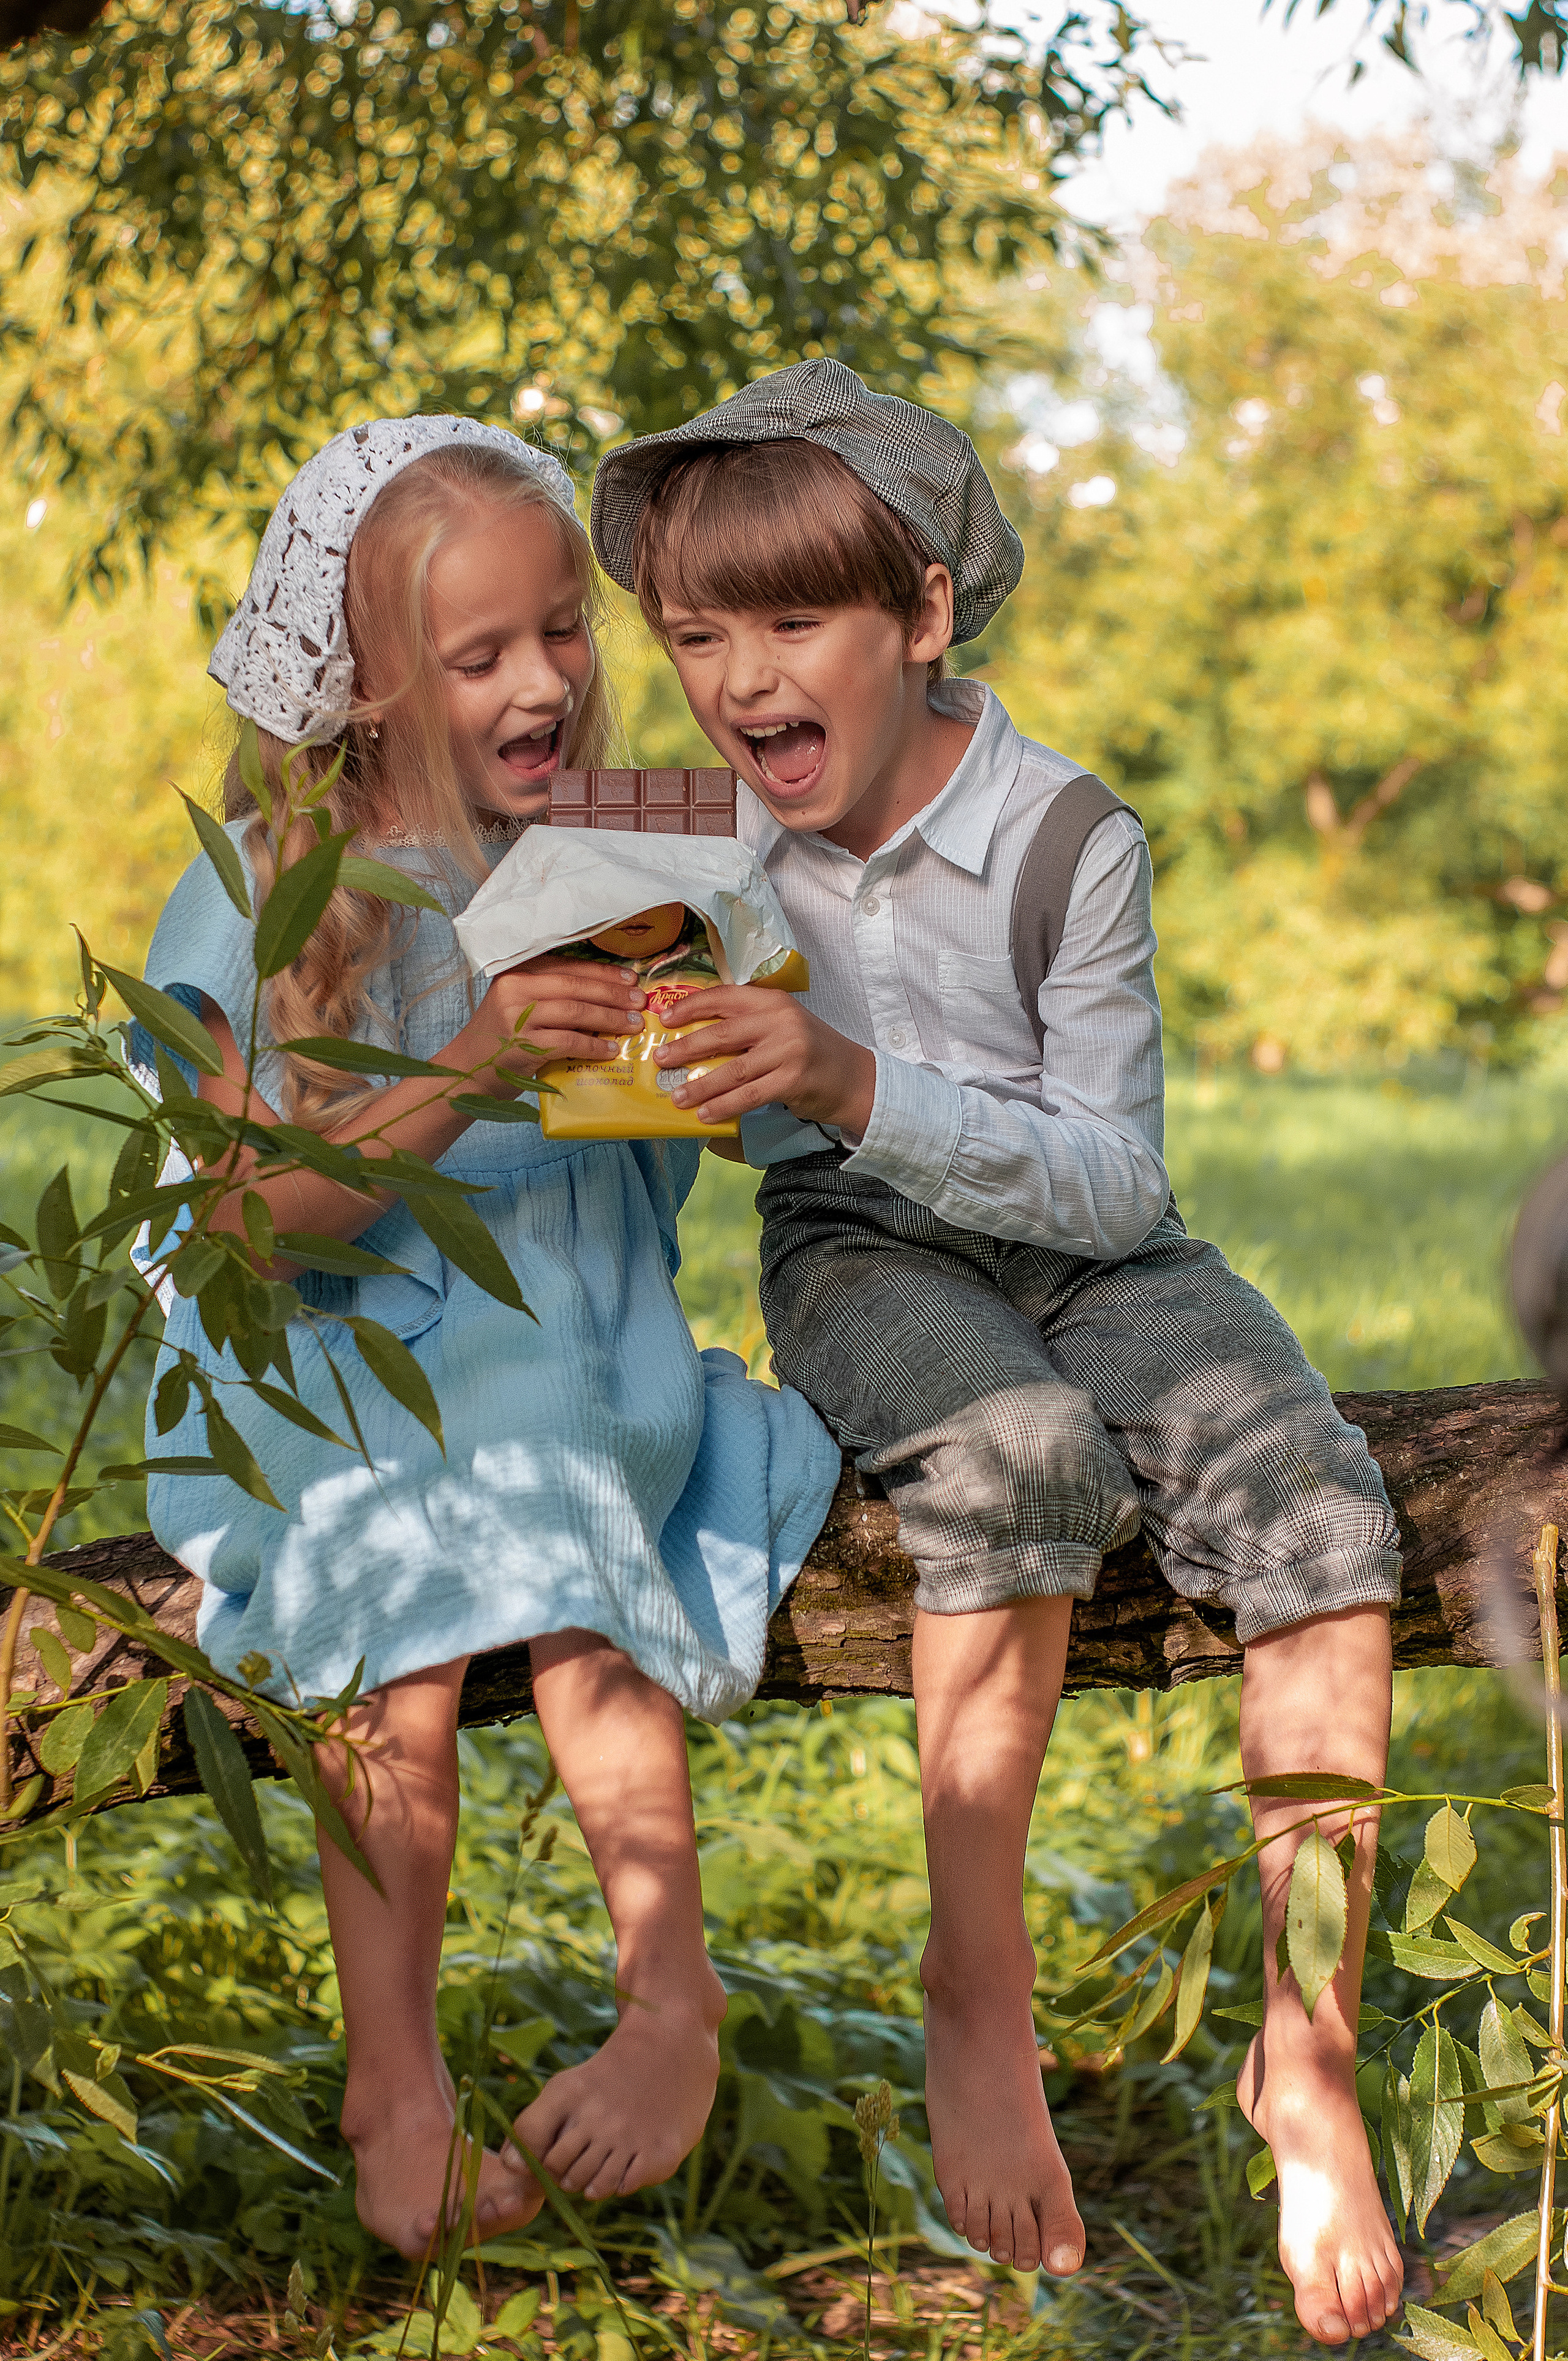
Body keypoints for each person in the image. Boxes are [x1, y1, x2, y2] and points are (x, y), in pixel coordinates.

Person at [588, 360, 1407, 2348]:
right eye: (697, 635)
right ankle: (978, 1988)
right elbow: (490, 925)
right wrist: (613, 1048)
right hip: (857, 1244)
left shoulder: (1069, 838)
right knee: (1028, 1465)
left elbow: (1118, 1178)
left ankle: (1311, 2042)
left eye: (792, 625)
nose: (734, 679)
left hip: (1098, 1241)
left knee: (1320, 1507)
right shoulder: (675, 828)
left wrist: (857, 1073)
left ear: (928, 614)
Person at [130, 417, 840, 2261]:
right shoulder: (275, 891)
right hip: (344, 1369)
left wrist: (729, 1049)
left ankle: (669, 2000)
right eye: (480, 655)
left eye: (563, 634)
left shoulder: (623, 846)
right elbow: (238, 1220)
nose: (545, 681)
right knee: (413, 1662)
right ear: (364, 689)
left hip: (572, 1349)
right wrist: (471, 1064)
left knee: (583, 1584)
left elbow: (745, 1113)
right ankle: (398, 2091)